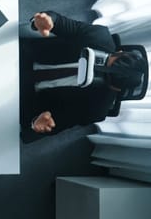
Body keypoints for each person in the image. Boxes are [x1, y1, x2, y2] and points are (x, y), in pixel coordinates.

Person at [20, 11, 147, 141]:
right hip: (21, 57)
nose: (94, 70)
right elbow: (60, 22)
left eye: (104, 76)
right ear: (118, 52)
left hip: (22, 98)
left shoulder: (96, 109)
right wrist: (48, 21)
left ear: (116, 90)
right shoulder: (98, 36)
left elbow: (52, 125)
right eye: (103, 62)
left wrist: (37, 123)